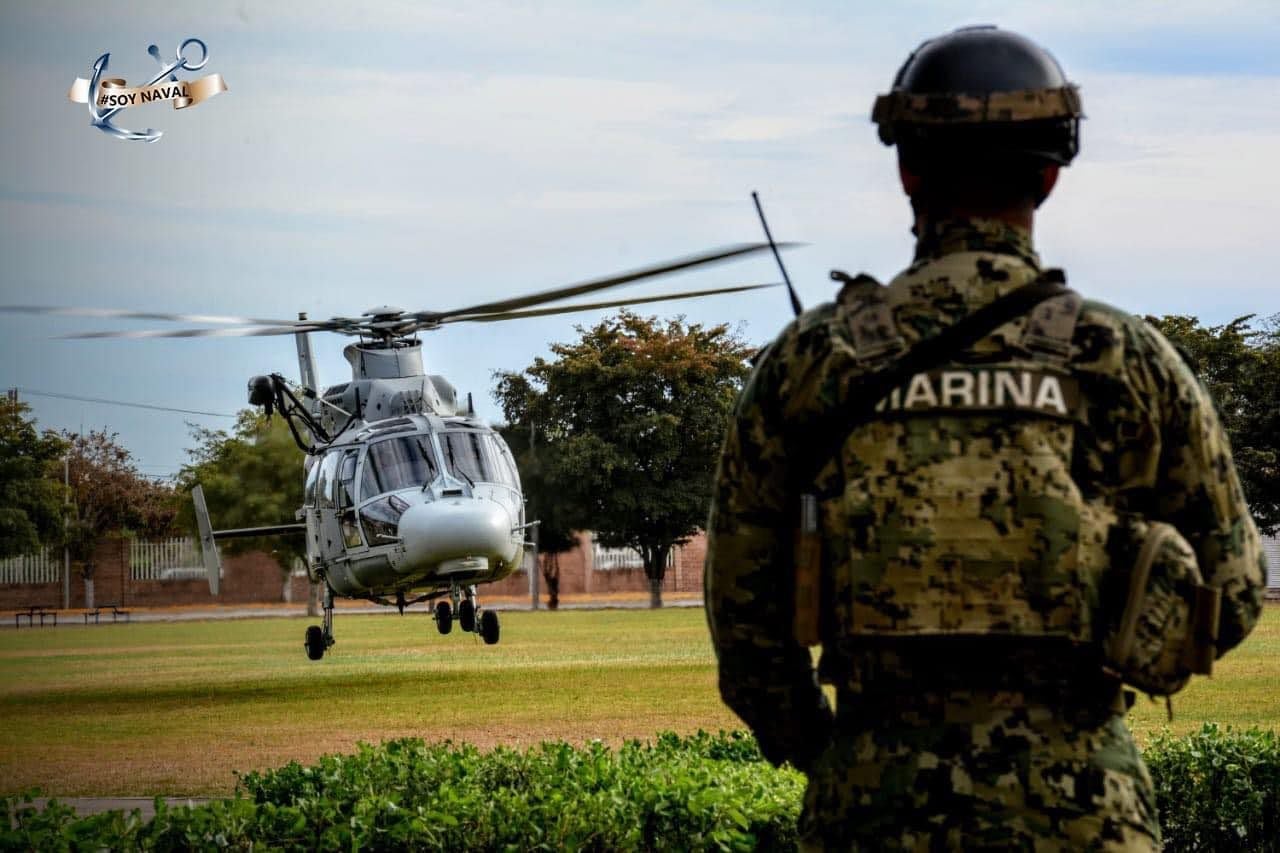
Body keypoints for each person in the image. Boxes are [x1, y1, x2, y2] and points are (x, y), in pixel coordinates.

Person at [704, 25, 1266, 851]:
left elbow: (745, 620)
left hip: (870, 809)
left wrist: (831, 755)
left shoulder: (815, 360)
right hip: (1086, 811)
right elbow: (1234, 587)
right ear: (1050, 172)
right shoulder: (1121, 358)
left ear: (907, 170)